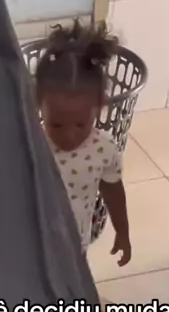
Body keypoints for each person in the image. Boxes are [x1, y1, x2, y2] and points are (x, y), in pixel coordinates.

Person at [35, 20, 132, 265]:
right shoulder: (32, 145)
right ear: (39, 105)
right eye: (57, 124)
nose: (69, 136)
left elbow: (113, 191)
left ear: (98, 108)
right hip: (31, 247)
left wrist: (122, 231)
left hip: (75, 246)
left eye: (81, 124)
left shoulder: (103, 149)